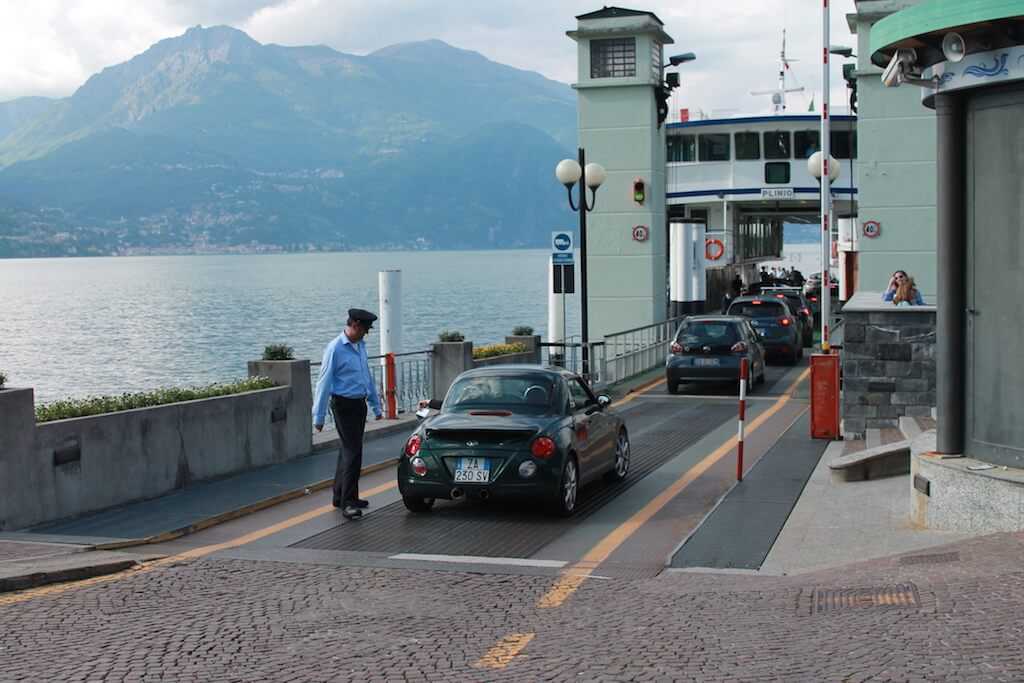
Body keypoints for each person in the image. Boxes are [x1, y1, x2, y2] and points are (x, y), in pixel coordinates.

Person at [313, 308, 383, 520]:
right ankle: (348, 502)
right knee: (353, 453)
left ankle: (339, 495)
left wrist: (375, 405)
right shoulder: (335, 349)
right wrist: (319, 416)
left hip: (358, 404)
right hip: (343, 405)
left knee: (347, 451)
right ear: (354, 325)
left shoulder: (360, 346)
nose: (366, 334)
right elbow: (323, 382)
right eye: (365, 330)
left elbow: (366, 377)